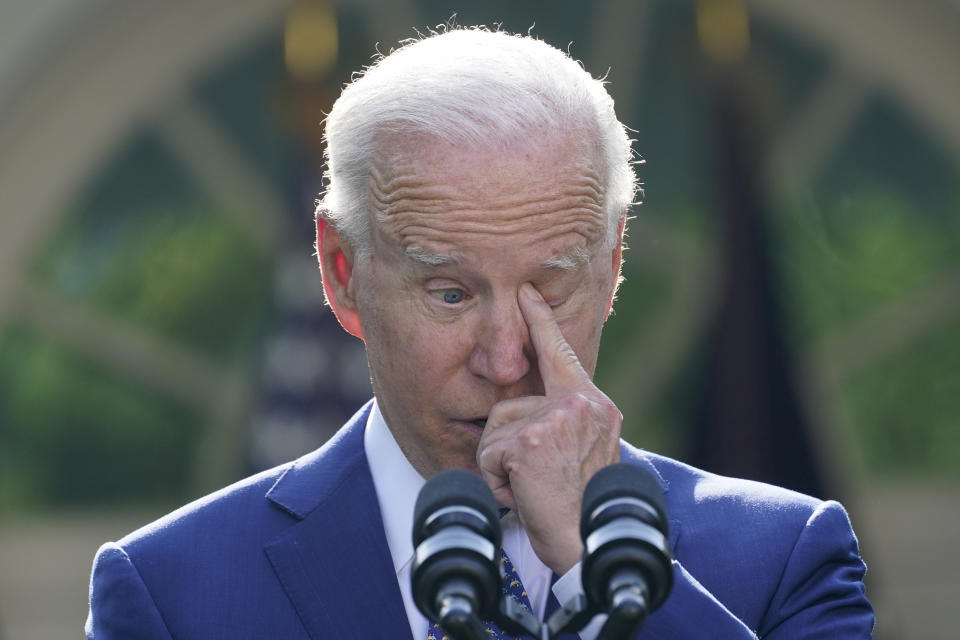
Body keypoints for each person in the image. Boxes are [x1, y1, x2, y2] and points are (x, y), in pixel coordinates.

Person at [86, 28, 874, 639]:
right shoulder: (171, 592)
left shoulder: (786, 558)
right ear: (340, 271)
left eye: (549, 289)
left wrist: (594, 563)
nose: (506, 360)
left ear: (613, 263)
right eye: (452, 293)